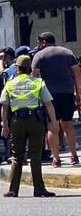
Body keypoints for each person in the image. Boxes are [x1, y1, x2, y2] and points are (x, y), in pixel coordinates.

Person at [1, 55, 60, 197]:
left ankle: (13, 190)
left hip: (17, 122)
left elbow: (4, 106)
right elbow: (48, 104)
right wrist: (54, 123)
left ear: (18, 69)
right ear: (30, 69)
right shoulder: (38, 82)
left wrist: (5, 125)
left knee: (17, 156)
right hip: (35, 121)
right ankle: (38, 188)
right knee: (35, 155)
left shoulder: (10, 84)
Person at [31, 31, 81, 167]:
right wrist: (78, 92)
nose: (38, 45)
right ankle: (74, 155)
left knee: (52, 127)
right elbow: (77, 72)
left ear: (43, 42)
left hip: (49, 96)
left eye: (39, 43)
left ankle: (56, 159)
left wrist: (36, 96)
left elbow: (34, 76)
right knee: (68, 124)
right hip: (67, 93)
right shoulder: (67, 53)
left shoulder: (39, 55)